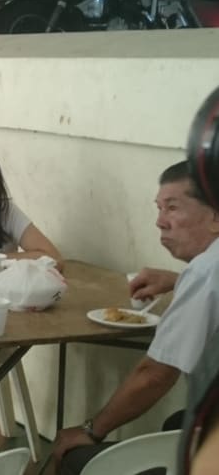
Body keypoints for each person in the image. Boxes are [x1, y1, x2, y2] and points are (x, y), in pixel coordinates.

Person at [54, 160, 219, 474]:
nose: (160, 221)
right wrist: (177, 281)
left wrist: (90, 431)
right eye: (158, 208)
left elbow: (155, 375)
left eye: (172, 208)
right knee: (177, 423)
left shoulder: (206, 272)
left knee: (75, 457)